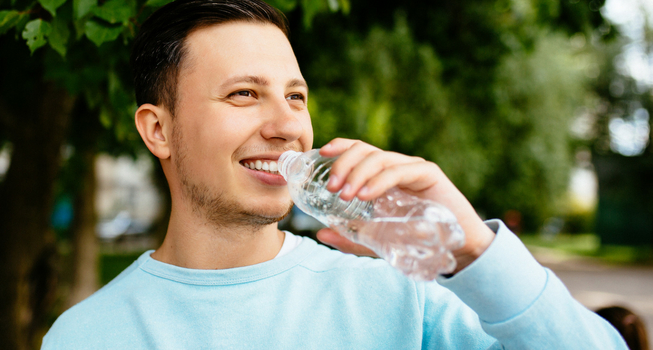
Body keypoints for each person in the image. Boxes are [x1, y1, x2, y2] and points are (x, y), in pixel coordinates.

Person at [42, 0, 627, 348]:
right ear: (157, 130)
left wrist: (471, 248)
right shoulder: (84, 336)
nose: (285, 126)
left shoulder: (402, 299)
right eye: (244, 94)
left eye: (296, 98)